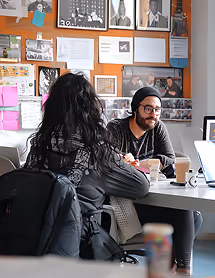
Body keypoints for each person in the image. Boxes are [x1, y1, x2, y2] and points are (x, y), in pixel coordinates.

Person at [24, 73, 150, 254]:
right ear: (90, 108)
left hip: (36, 235)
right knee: (186, 217)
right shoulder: (96, 149)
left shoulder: (39, 144)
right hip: (80, 241)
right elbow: (141, 187)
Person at [107, 87, 201, 274]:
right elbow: (108, 160)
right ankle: (177, 269)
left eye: (157, 109)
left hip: (153, 196)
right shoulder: (116, 129)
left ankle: (174, 267)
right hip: (126, 202)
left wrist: (140, 163)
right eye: (148, 108)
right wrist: (125, 163)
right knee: (185, 213)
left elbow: (169, 158)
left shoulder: (158, 127)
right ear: (136, 108)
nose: (154, 114)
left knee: (194, 215)